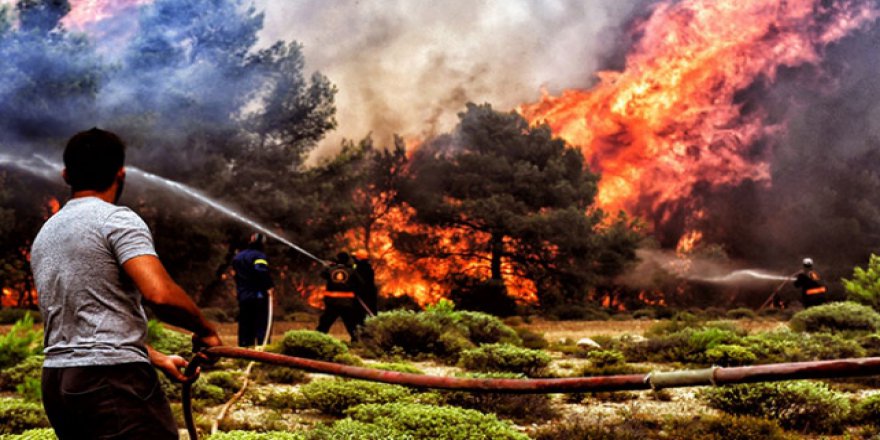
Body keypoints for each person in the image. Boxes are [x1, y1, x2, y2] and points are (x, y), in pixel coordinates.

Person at [30, 128, 223, 439]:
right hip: (111, 381)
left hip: (58, 382)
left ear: (66, 175)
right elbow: (160, 295)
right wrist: (206, 331)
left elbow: (87, 323)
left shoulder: (47, 233)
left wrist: (156, 357)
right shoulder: (116, 219)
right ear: (121, 173)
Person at [232, 232, 274, 347]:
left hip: (243, 296)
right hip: (258, 295)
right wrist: (269, 286)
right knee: (261, 323)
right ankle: (262, 348)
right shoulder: (259, 256)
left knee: (245, 323)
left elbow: (236, 274)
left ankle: (244, 347)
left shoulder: (238, 256)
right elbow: (261, 271)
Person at [316, 251, 366, 341]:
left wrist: (326, 266)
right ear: (347, 260)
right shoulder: (351, 271)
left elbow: (322, 275)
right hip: (346, 303)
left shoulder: (330, 270)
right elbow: (361, 283)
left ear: (337, 259)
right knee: (351, 324)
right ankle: (356, 341)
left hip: (332, 303)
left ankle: (317, 339)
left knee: (325, 323)